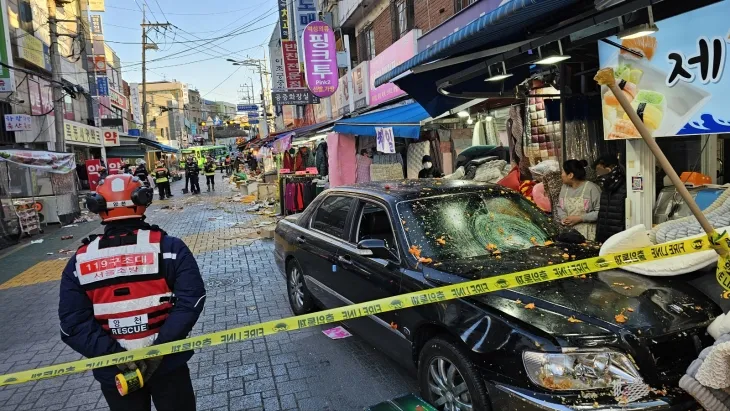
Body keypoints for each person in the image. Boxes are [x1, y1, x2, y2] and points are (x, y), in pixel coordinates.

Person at [59, 174, 205, 411]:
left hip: (116, 374)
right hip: (168, 365)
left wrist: (118, 358)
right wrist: (158, 351)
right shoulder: (169, 248)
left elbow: (72, 324)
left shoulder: (79, 261)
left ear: (97, 206)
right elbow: (192, 300)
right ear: (143, 200)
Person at [556, 159, 601, 241]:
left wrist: (580, 218)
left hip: (588, 234)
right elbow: (560, 207)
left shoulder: (591, 188)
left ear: (570, 175)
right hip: (569, 233)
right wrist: (563, 218)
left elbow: (601, 212)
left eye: (563, 172)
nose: (561, 175)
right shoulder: (564, 188)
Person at [594, 154, 627, 243]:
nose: (598, 174)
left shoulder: (626, 187)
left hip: (619, 239)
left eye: (600, 170)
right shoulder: (606, 187)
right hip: (603, 237)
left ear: (611, 168)